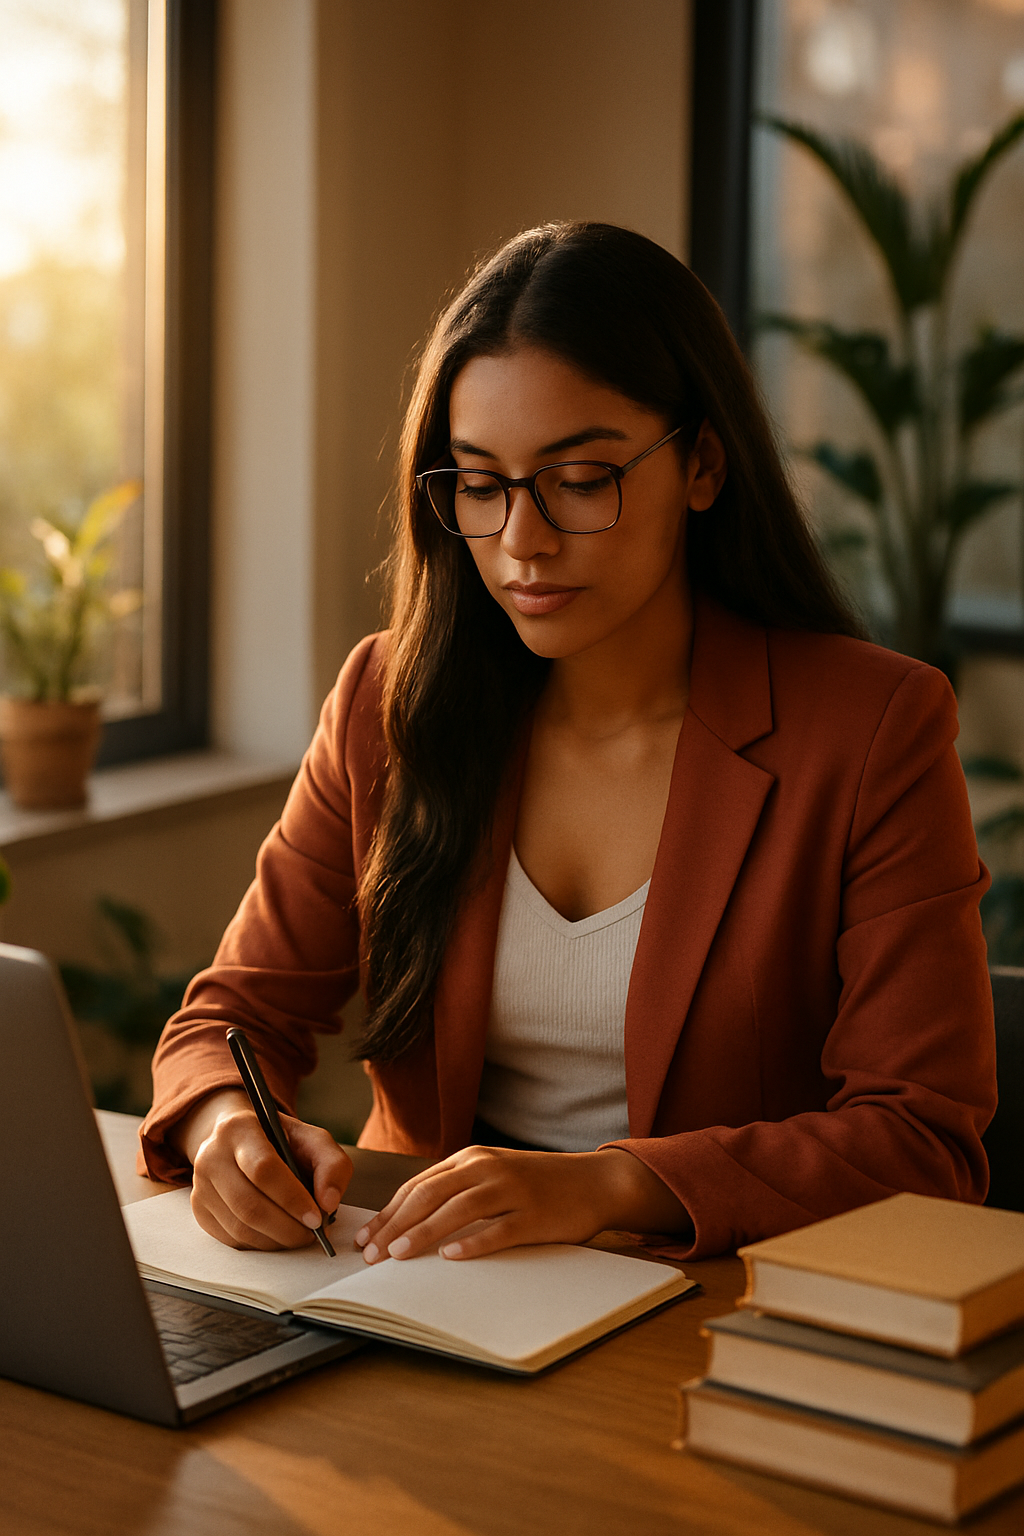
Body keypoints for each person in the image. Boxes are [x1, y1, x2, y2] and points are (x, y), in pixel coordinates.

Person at [140, 221, 996, 1262]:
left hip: (719, 1309)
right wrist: (223, 1124)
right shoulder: (388, 700)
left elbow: (920, 1141)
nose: (521, 541)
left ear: (702, 465)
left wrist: (604, 1186)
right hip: (417, 1287)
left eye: (579, 479)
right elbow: (229, 1018)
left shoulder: (870, 731)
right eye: (480, 483)